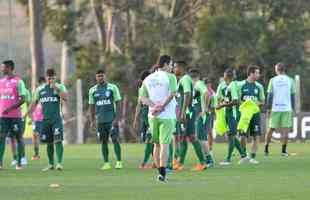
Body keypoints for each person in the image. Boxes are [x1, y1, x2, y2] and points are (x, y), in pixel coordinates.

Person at [139, 55, 177, 182]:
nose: (172, 67)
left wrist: (154, 106)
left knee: (156, 144)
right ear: (165, 64)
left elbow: (143, 98)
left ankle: (159, 172)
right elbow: (172, 94)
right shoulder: (171, 77)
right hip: (167, 115)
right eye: (171, 65)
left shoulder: (148, 78)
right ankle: (163, 173)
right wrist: (161, 106)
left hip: (152, 115)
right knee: (165, 144)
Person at [27, 68, 68, 171]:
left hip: (56, 119)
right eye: (49, 78)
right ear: (46, 78)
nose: (51, 80)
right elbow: (34, 103)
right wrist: (27, 114)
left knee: (58, 140)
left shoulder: (60, 86)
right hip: (45, 120)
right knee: (49, 142)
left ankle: (59, 163)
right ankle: (50, 164)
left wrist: (56, 88)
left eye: (53, 78)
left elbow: (65, 98)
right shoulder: (40, 89)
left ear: (55, 77)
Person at [173, 61, 206, 171]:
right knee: (188, 137)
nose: (174, 68)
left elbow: (187, 94)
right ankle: (183, 163)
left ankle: (185, 163)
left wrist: (183, 112)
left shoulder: (185, 79)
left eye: (175, 66)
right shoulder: (183, 79)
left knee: (185, 137)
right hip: (188, 112)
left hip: (187, 113)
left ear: (181, 68)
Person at [89, 69, 123, 170]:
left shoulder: (112, 88)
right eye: (98, 76)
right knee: (103, 141)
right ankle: (106, 163)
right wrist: (92, 120)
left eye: (102, 76)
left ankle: (119, 162)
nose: (100, 78)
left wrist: (117, 118)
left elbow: (118, 103)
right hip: (100, 121)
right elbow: (91, 106)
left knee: (115, 139)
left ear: (105, 76)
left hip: (111, 119)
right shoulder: (92, 90)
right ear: (96, 77)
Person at [216, 68, 248, 166]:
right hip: (227, 113)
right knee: (232, 135)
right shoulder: (225, 85)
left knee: (231, 136)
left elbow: (235, 101)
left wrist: (222, 105)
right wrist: (222, 103)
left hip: (233, 114)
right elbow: (220, 97)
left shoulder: (233, 85)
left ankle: (228, 159)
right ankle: (244, 155)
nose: (223, 76)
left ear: (227, 76)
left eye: (225, 75)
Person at [0, 60, 27, 170]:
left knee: (18, 138)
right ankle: (0, 163)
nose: (2, 69)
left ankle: (19, 163)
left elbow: (23, 99)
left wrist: (10, 108)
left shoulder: (19, 82)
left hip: (15, 117)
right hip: (2, 117)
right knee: (1, 138)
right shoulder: (1, 82)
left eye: (3, 67)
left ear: (9, 68)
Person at [264, 63, 296, 157]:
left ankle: (266, 150)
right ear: (284, 70)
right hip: (286, 108)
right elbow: (293, 96)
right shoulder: (290, 80)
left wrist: (268, 108)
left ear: (276, 70)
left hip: (275, 108)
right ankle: (283, 151)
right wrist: (292, 108)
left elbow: (269, 95)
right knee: (286, 130)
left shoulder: (273, 80)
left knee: (270, 129)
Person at [238, 65, 265, 164]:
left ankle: (252, 157)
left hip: (255, 114)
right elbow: (237, 100)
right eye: (257, 72)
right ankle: (243, 156)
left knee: (256, 136)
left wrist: (256, 103)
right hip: (244, 115)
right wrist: (245, 104)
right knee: (242, 136)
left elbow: (262, 101)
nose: (259, 74)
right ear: (251, 73)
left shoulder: (259, 86)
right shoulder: (241, 85)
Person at [190, 69, 214, 168]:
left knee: (201, 137)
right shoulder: (195, 85)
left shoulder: (198, 83)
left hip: (202, 115)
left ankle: (209, 160)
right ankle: (207, 159)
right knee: (200, 137)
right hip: (198, 115)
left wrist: (205, 109)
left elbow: (207, 94)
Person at [133, 70, 155, 169]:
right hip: (144, 117)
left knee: (150, 140)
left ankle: (144, 163)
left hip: (152, 116)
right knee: (146, 140)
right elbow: (139, 104)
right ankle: (156, 161)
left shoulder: (154, 89)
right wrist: (135, 118)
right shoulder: (141, 89)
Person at [30, 77, 45, 160]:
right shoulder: (39, 91)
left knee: (36, 135)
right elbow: (34, 104)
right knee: (36, 135)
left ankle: (36, 154)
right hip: (39, 118)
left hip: (41, 117)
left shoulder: (40, 90)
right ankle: (36, 154)